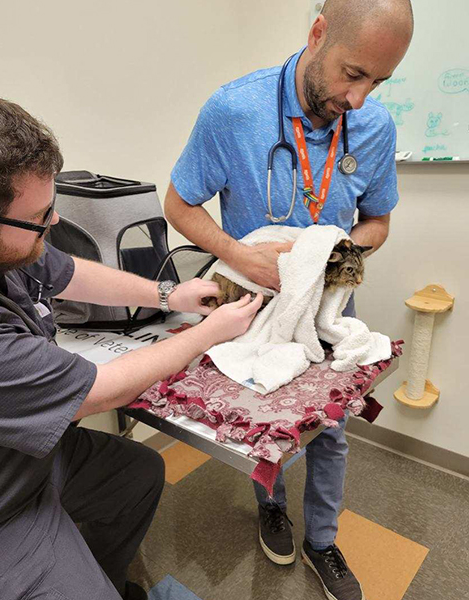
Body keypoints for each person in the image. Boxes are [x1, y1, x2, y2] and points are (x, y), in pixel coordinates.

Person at [164, 1, 414, 598]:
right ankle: (270, 506)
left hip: (326, 314)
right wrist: (238, 253)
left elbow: (377, 221)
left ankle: (323, 540)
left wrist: (341, 256)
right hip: (253, 312)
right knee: (265, 422)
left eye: (378, 82)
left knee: (329, 432)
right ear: (319, 33)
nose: (360, 98)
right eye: (353, 74)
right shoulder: (235, 111)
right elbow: (179, 206)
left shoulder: (374, 127)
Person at [0, 95, 263, 600]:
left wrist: (167, 293)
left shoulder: (11, 245)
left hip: (31, 459)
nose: (52, 223)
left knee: (137, 471)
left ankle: (106, 576)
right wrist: (208, 333)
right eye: (40, 216)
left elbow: (66, 272)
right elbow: (98, 390)